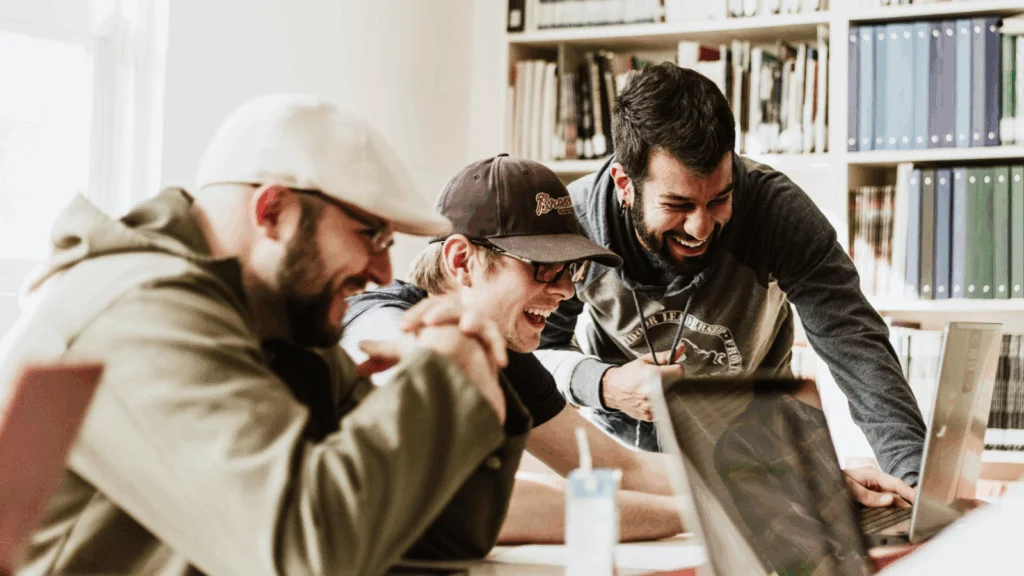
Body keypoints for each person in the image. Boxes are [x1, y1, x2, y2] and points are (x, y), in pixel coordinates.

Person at [0, 94, 532, 576]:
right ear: (272, 211)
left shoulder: (279, 327)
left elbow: (435, 537)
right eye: (369, 234)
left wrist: (474, 377)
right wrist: (440, 380)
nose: (382, 270)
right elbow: (304, 554)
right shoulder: (140, 310)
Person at [534, 62, 928, 490]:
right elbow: (534, 352)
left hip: (758, 456)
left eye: (719, 199)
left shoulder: (777, 212)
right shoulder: (575, 226)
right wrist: (604, 384)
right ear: (624, 183)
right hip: (626, 463)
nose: (700, 228)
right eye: (678, 205)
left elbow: (857, 347)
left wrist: (915, 484)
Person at [342, 154, 686, 543]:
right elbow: (473, 501)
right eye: (543, 266)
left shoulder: (502, 352)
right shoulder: (380, 322)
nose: (566, 290)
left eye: (571, 269)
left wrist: (746, 483)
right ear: (461, 261)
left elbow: (620, 469)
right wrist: (695, 516)